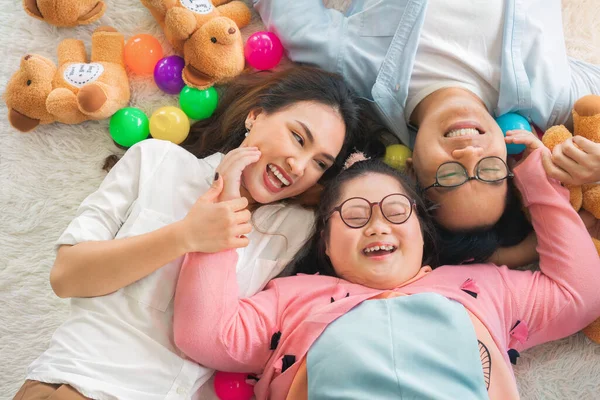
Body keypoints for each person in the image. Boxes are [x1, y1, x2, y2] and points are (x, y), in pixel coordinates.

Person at [12, 66, 363, 400]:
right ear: (256, 115)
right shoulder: (157, 162)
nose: (299, 166)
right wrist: (185, 236)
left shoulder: (297, 229)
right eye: (298, 138)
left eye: (320, 163)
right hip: (82, 384)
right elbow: (67, 277)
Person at [173, 131, 600, 399]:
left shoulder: (479, 286)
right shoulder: (296, 298)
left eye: (396, 210)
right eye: (356, 216)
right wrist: (224, 211)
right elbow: (206, 335)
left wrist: (537, 180)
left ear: (422, 229)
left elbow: (581, 295)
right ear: (325, 241)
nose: (378, 227)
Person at [252, 0, 600, 264]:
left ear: (411, 171)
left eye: (449, 176)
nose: (468, 153)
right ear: (511, 160)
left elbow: (288, 14)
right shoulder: (550, 96)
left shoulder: (354, 67)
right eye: (490, 172)